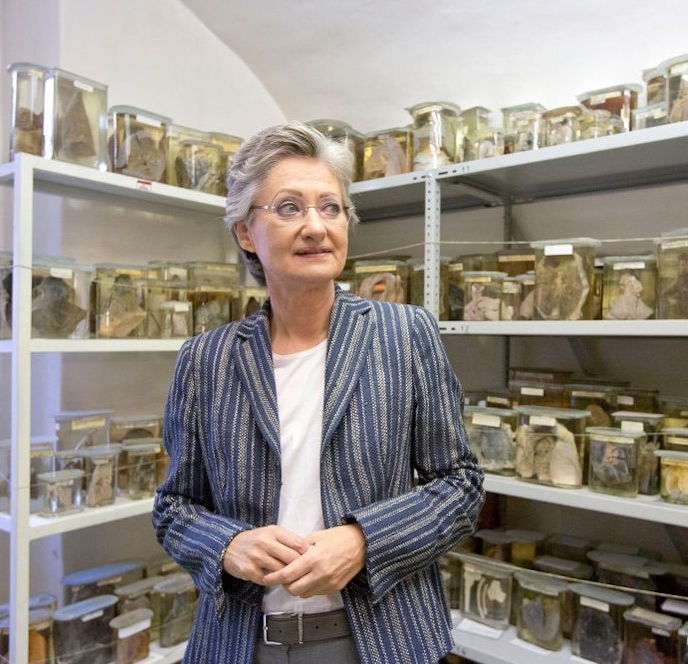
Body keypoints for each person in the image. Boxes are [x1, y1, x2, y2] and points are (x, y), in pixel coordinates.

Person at [152, 121, 485, 664]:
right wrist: (228, 545)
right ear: (245, 231)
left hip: (381, 639)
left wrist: (364, 541)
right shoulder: (205, 360)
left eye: (331, 207)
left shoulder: (405, 335)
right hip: (243, 642)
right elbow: (174, 508)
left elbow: (461, 485)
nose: (315, 226)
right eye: (289, 208)